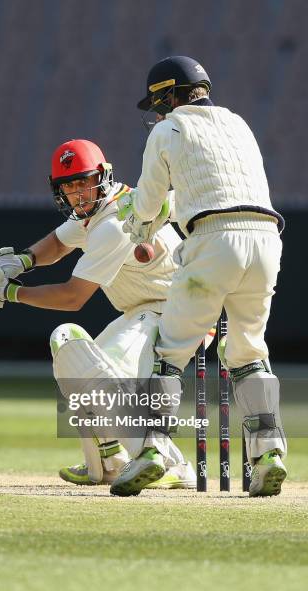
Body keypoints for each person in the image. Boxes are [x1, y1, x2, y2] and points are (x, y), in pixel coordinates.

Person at [0, 138, 215, 489]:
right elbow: (59, 243)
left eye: (82, 182)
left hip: (176, 315)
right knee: (77, 368)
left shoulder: (114, 223)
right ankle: (113, 459)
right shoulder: (95, 211)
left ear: (102, 176)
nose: (77, 194)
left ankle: (166, 462)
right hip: (148, 312)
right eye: (68, 186)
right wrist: (21, 260)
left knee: (74, 347)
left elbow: (73, 297)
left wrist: (11, 292)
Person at [114, 55, 287, 497]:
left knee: (169, 352)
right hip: (267, 239)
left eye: (158, 104)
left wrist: (138, 226)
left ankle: (153, 449)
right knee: (249, 351)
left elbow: (149, 205)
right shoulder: (239, 123)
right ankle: (268, 455)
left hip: (214, 239)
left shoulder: (168, 130)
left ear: (169, 95)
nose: (156, 114)